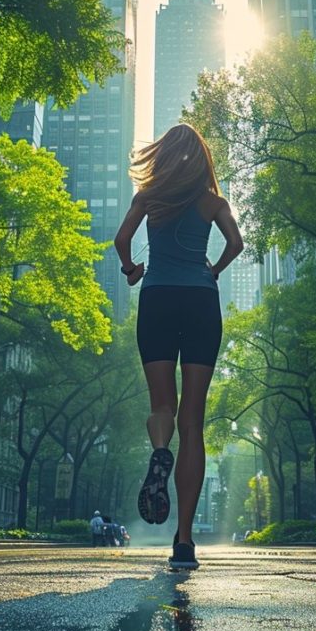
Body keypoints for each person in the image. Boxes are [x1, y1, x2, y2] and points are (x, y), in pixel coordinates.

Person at [113, 123, 244, 571]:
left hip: (157, 300)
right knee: (194, 421)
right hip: (201, 302)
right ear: (202, 158)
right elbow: (236, 243)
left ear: (164, 156)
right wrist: (215, 270)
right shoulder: (213, 201)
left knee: (162, 406)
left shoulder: (150, 198)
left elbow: (121, 240)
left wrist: (132, 269)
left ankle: (158, 450)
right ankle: (184, 542)